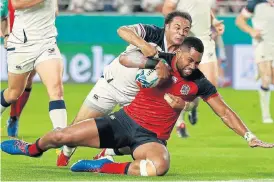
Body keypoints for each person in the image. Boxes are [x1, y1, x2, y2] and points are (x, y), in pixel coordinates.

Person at [1, 37, 273, 177]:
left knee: (159, 166)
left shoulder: (199, 83)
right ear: (179, 53)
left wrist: (249, 136)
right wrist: (153, 65)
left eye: (197, 62)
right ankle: (32, 149)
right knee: (60, 136)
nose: (193, 66)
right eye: (190, 60)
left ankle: (102, 167)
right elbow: (125, 58)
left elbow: (224, 111)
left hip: (150, 138)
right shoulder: (161, 59)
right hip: (122, 122)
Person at [56, 10, 192, 167]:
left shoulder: (182, 54)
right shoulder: (152, 33)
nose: (181, 32)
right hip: (111, 85)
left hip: (137, 98)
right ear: (167, 26)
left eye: (185, 30)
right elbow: (122, 30)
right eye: (177, 27)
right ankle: (65, 153)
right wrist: (144, 45)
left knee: (145, 136)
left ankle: (106, 152)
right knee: (78, 127)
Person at [0, 0, 67, 135]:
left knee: (56, 90)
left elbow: (55, 11)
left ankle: (61, 137)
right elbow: (16, 4)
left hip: (47, 43)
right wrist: (6, 35)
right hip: (21, 44)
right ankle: (13, 116)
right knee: (14, 93)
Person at [162, 0, 225, 137]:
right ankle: (179, 123)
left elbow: (204, 8)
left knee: (210, 86)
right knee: (182, 84)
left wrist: (214, 22)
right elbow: (167, 8)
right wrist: (179, 29)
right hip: (186, 42)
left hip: (205, 39)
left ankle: (192, 108)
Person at [236, 0, 274, 124]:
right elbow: (239, 20)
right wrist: (251, 31)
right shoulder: (255, 3)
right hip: (262, 44)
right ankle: (266, 115)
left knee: (271, 78)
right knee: (266, 78)